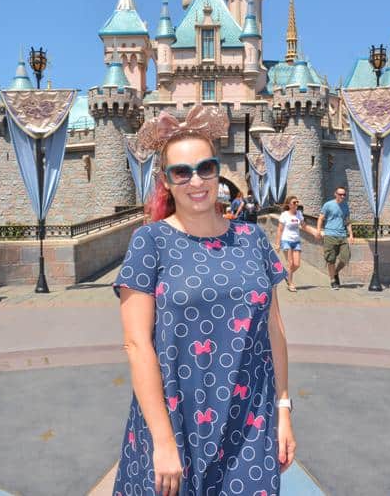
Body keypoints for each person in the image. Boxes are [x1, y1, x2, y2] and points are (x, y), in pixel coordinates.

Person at [113, 105, 296, 495]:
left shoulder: (252, 239)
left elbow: (273, 332)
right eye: (181, 172)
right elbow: (137, 344)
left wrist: (283, 409)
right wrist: (162, 441)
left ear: (217, 171)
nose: (196, 181)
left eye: (205, 168)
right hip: (176, 417)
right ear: (166, 181)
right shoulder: (150, 242)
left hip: (251, 418)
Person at [275, 196, 317, 292]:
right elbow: (279, 229)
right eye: (294, 202)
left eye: (297, 202)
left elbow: (304, 226)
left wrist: (314, 232)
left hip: (296, 241)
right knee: (290, 263)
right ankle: (290, 284)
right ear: (289, 204)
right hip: (286, 241)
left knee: (297, 264)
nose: (296, 204)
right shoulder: (284, 215)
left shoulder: (299, 214)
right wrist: (277, 243)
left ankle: (287, 276)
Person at [316, 186, 354, 290]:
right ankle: (333, 280)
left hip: (342, 235)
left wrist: (351, 235)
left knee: (346, 257)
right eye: (340, 194)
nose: (342, 196)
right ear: (335, 194)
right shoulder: (328, 205)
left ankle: (336, 272)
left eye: (344, 194)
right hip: (330, 235)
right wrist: (318, 231)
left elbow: (347, 220)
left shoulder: (345, 205)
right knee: (330, 259)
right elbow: (321, 218)